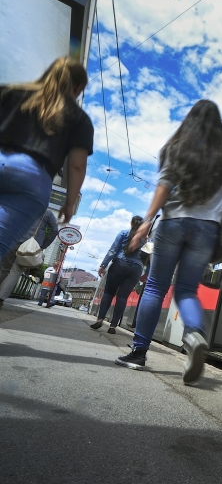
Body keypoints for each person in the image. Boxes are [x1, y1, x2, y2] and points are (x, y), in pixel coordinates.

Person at [116, 100, 222, 384]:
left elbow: (164, 185)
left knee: (156, 286)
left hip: (173, 223)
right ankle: (194, 334)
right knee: (187, 290)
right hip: (207, 228)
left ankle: (138, 353)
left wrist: (146, 221)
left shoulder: (178, 148)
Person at [0, 58, 93, 261]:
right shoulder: (80, 118)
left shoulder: (11, 91)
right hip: (32, 179)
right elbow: (77, 165)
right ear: (77, 87)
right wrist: (69, 203)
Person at [90, 216, 145, 334]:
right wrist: (148, 272)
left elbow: (113, 250)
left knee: (109, 293)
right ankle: (113, 326)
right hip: (136, 269)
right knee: (122, 297)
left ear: (131, 223)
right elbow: (150, 256)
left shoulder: (123, 233)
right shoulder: (146, 239)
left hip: (119, 264)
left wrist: (103, 265)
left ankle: (100, 319)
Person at [0, 209, 58, 308]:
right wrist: (43, 245)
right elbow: (55, 230)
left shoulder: (26, 205)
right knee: (16, 271)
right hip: (31, 246)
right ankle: (1, 298)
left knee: (3, 267)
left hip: (14, 239)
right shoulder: (47, 213)